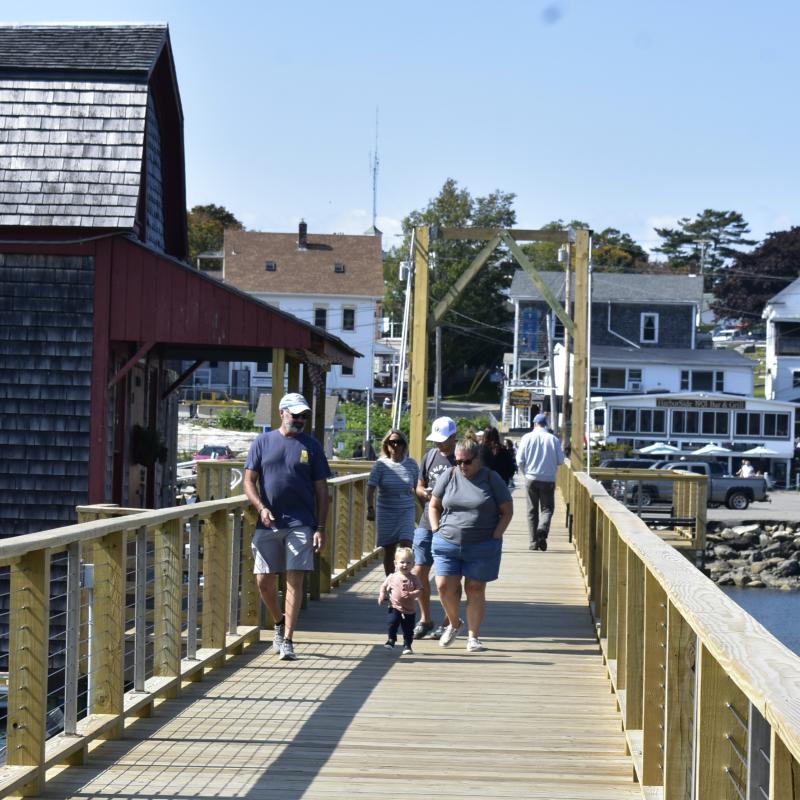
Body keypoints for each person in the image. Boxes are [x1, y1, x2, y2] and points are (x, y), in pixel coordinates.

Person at [243, 392, 330, 662]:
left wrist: (321, 527)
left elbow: (322, 489)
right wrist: (261, 507)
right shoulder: (262, 441)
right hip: (268, 522)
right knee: (264, 580)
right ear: (282, 412)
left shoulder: (312, 446)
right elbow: (249, 481)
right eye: (296, 415)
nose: (300, 420)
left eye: (304, 416)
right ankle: (278, 622)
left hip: (301, 522)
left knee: (295, 579)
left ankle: (289, 639)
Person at [429, 436, 513, 652]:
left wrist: (496, 535)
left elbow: (507, 510)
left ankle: (473, 637)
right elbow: (434, 505)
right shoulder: (448, 476)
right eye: (458, 462)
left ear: (478, 459)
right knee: (443, 586)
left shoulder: (491, 478)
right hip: (447, 541)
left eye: (467, 461)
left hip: (482, 543)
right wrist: (435, 529)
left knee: (474, 588)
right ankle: (455, 623)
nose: (462, 466)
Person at [412, 416, 458, 640]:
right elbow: (419, 485)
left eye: (443, 440)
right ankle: (425, 618)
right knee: (419, 569)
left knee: (449, 575)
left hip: (453, 522)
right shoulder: (430, 456)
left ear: (454, 437)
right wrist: (424, 493)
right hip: (427, 518)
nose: (439, 444)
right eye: (436, 440)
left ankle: (449, 621)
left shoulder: (462, 458)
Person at [367, 429, 419, 576]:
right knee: (389, 550)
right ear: (386, 445)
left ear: (404, 445)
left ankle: (405, 582)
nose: (396, 445)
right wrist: (370, 508)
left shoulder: (412, 464)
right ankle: (391, 585)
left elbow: (418, 488)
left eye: (399, 442)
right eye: (392, 442)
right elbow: (371, 487)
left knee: (407, 546)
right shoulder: (380, 465)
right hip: (386, 511)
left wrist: (426, 507)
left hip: (406, 510)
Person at [516, 412, 564, 552]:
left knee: (532, 511)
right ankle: (542, 528)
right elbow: (561, 460)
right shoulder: (553, 439)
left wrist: (525, 473)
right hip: (548, 479)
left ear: (534, 424)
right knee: (547, 509)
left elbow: (519, 460)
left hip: (531, 478)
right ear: (546, 425)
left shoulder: (527, 437)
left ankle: (533, 542)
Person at [378, 546, 423, 655]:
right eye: (402, 562)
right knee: (392, 622)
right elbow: (383, 586)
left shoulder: (414, 578)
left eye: (408, 562)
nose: (405, 565)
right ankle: (391, 639)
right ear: (395, 563)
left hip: (409, 609)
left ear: (413, 564)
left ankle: (407, 644)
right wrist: (382, 595)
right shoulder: (392, 576)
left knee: (408, 629)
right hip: (394, 606)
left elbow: (420, 590)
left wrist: (412, 594)